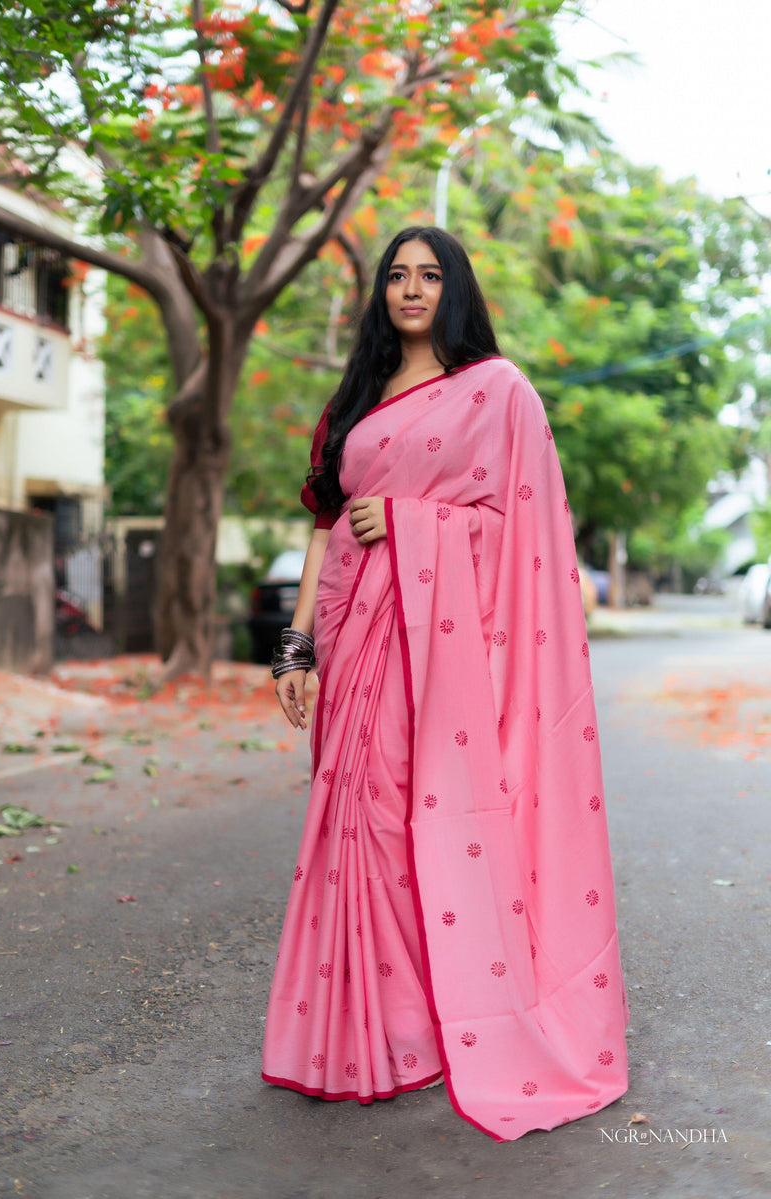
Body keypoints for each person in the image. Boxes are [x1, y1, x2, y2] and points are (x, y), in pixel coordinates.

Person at [261, 227, 629, 1142]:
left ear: (453, 288)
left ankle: (421, 1024)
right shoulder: (353, 400)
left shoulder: (495, 392)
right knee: (347, 808)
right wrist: (296, 644)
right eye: (397, 275)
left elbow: (521, 526)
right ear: (381, 292)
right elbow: (324, 525)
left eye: (429, 275)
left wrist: (417, 521)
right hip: (355, 631)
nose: (411, 288)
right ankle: (363, 1031)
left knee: (392, 808)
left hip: (436, 640)